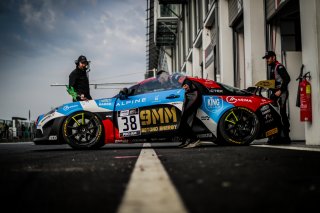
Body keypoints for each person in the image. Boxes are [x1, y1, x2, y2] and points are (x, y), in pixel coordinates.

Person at [156, 70, 202, 148]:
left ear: (162, 76)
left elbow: (186, 80)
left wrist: (187, 85)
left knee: (183, 119)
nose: (160, 82)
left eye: (159, 79)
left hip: (193, 96)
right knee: (181, 120)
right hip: (187, 98)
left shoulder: (173, 77)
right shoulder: (169, 83)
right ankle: (186, 140)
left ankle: (195, 140)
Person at [262, 51, 291, 144]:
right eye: (266, 58)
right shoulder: (272, 67)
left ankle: (286, 136)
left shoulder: (279, 66)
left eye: (268, 58)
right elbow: (272, 83)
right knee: (273, 114)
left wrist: (280, 90)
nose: (266, 60)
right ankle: (275, 135)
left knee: (282, 113)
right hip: (274, 93)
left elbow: (287, 79)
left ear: (273, 57)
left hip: (281, 93)